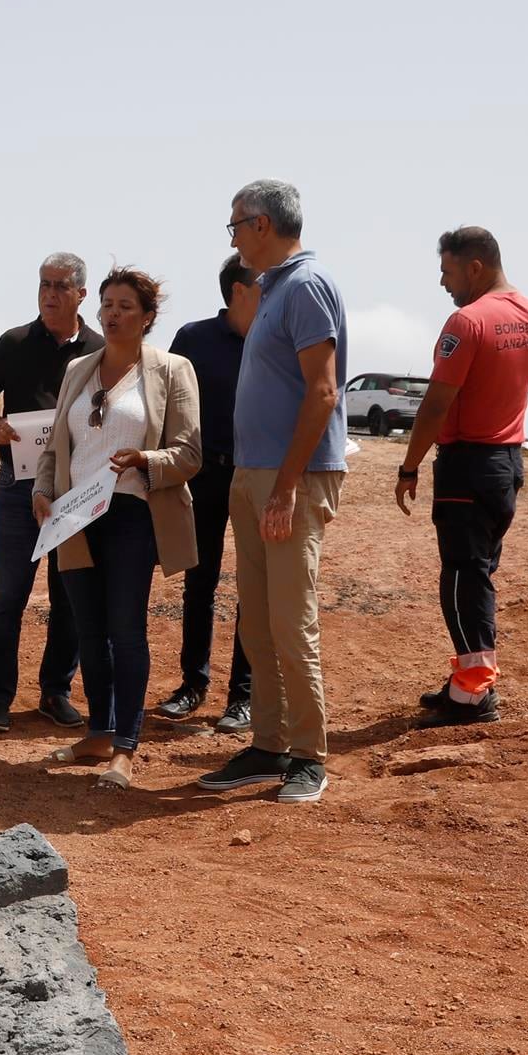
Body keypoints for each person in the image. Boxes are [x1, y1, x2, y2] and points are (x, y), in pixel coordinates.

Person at [198, 179, 345, 805]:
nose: (230, 236)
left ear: (261, 225)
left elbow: (323, 391)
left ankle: (309, 757)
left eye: (233, 224)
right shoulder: (272, 288)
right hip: (255, 475)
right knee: (256, 624)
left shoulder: (307, 286)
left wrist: (286, 488)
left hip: (292, 479)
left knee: (291, 623)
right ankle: (268, 745)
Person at [31, 267, 202, 789]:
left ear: (148, 317)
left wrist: (145, 459)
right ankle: (100, 732)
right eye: (107, 303)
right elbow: (57, 446)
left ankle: (125, 748)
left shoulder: (172, 370)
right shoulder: (78, 370)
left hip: (132, 514)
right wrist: (41, 490)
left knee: (126, 632)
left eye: (126, 306)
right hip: (75, 516)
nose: (112, 313)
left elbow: (189, 453)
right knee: (88, 631)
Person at [394, 226, 528, 726]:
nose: (443, 282)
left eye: (448, 270)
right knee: (478, 573)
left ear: (474, 267)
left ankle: (474, 693)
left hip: (467, 465)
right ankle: (466, 679)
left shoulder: (468, 320)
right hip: (506, 465)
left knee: (462, 578)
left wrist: (409, 465)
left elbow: (437, 401)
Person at [0, 253, 99, 734]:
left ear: (82, 293)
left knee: (70, 595)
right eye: (44, 284)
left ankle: (55, 692)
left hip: (75, 491)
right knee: (8, 594)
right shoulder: (14, 342)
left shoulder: (99, 351)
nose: (49, 294)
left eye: (61, 285)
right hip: (17, 489)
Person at [155, 255, 258, 734]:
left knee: (253, 589)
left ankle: (244, 696)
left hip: (256, 477)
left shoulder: (274, 339)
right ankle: (192, 685)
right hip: (204, 477)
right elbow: (166, 406)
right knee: (200, 583)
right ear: (239, 289)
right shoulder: (193, 340)